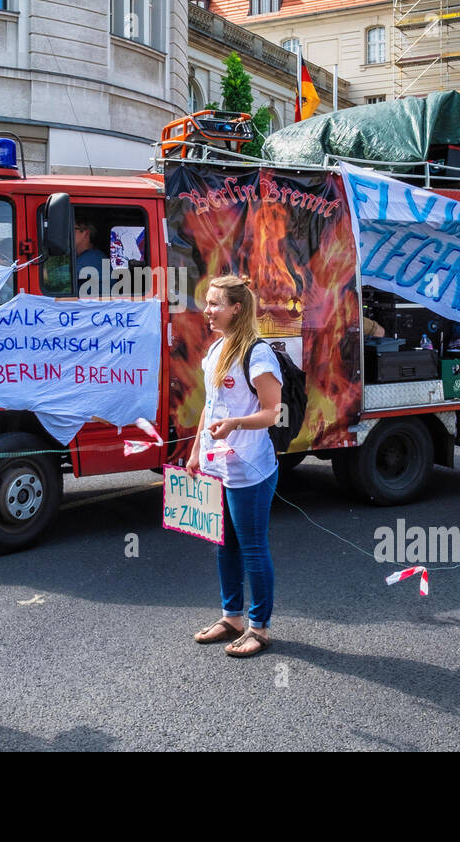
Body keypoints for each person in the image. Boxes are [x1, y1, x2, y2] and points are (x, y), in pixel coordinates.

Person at [187, 275, 283, 657]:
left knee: (253, 547)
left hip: (250, 468)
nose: (207, 310)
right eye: (207, 302)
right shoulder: (216, 350)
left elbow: (273, 413)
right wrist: (195, 451)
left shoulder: (257, 355)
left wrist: (236, 425)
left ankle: (259, 627)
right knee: (223, 543)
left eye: (214, 304)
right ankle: (233, 618)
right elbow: (210, 407)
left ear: (236, 309)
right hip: (217, 464)